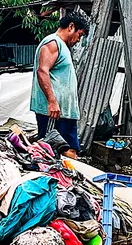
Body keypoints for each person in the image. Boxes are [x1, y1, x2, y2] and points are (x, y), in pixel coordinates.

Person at [31, 10, 89, 159]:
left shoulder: (62, 46)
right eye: (79, 35)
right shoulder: (53, 43)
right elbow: (42, 71)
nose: (78, 40)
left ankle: (64, 180)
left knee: (69, 152)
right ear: (71, 26)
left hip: (64, 112)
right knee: (55, 153)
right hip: (54, 113)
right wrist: (52, 101)